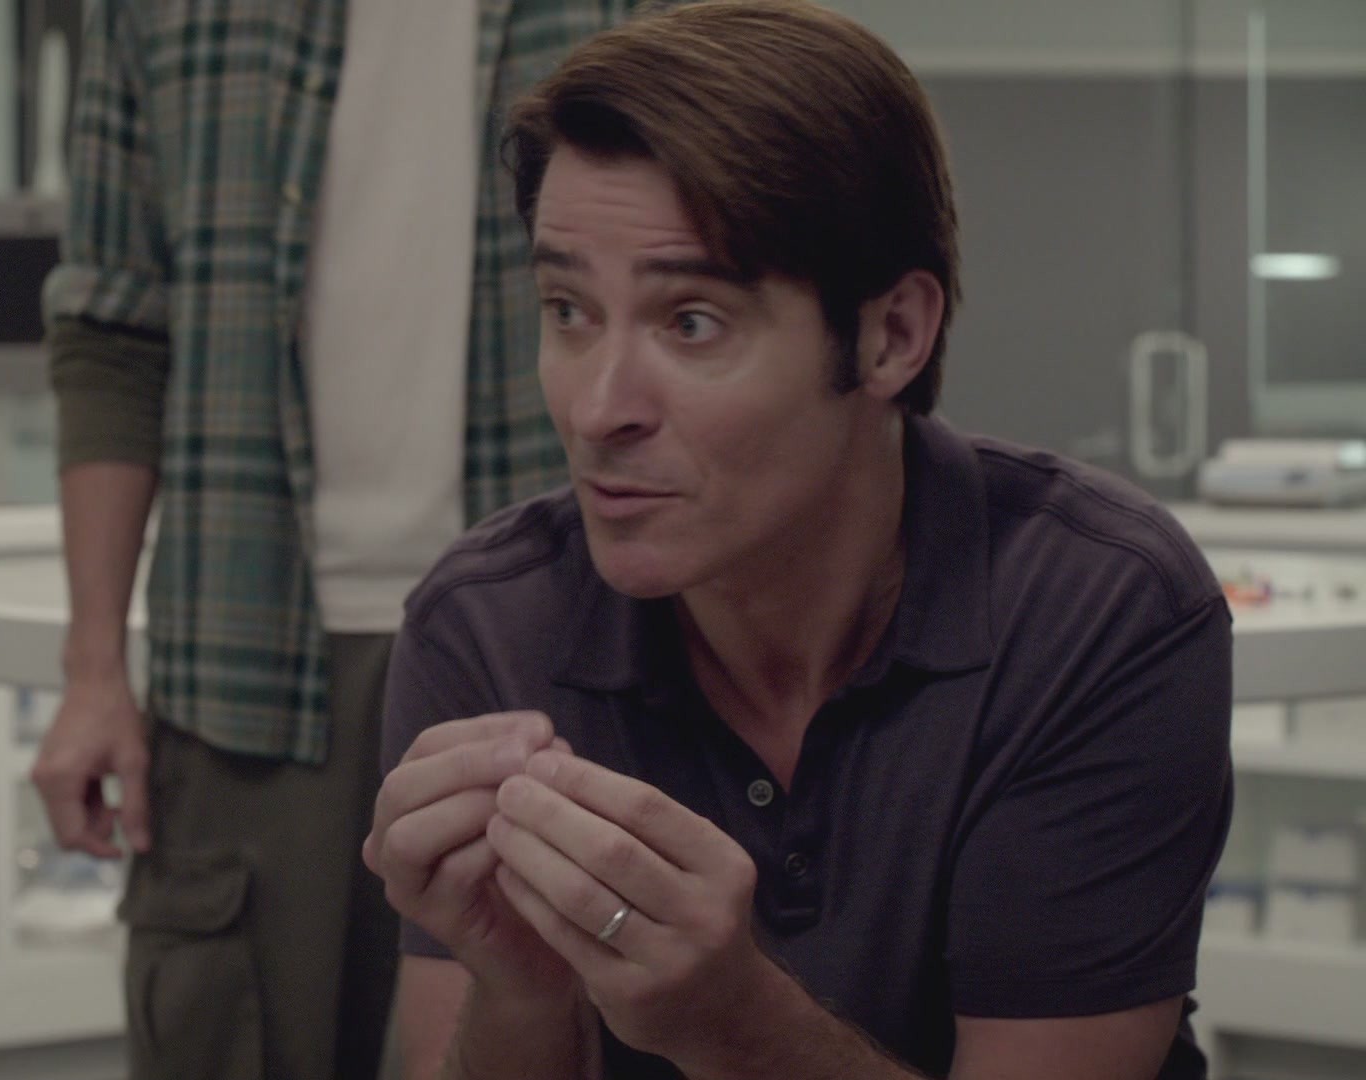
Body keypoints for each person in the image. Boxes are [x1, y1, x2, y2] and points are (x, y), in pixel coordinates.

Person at [365, 3, 1234, 1078]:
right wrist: (520, 986)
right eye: (567, 310)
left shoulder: (1096, 609)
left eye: (692, 322)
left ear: (891, 336)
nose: (596, 409)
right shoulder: (489, 625)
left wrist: (732, 1021)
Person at [32, 4, 670, 1078]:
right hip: (246, 665)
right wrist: (93, 669)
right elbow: (111, 330)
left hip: (562, 650)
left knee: (555, 1028)